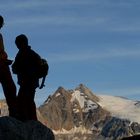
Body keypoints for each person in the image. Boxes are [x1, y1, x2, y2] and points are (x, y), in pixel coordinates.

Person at [12, 34, 41, 121]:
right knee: (29, 100)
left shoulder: (22, 54)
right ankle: (32, 119)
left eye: (17, 43)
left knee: (22, 101)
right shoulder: (33, 54)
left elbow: (16, 68)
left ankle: (25, 119)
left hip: (26, 82)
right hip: (32, 82)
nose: (16, 45)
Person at [0, 15, 17, 117]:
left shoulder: (0, 36)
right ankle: (14, 113)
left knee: (11, 89)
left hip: (3, 64)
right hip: (2, 65)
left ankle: (14, 113)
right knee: (10, 89)